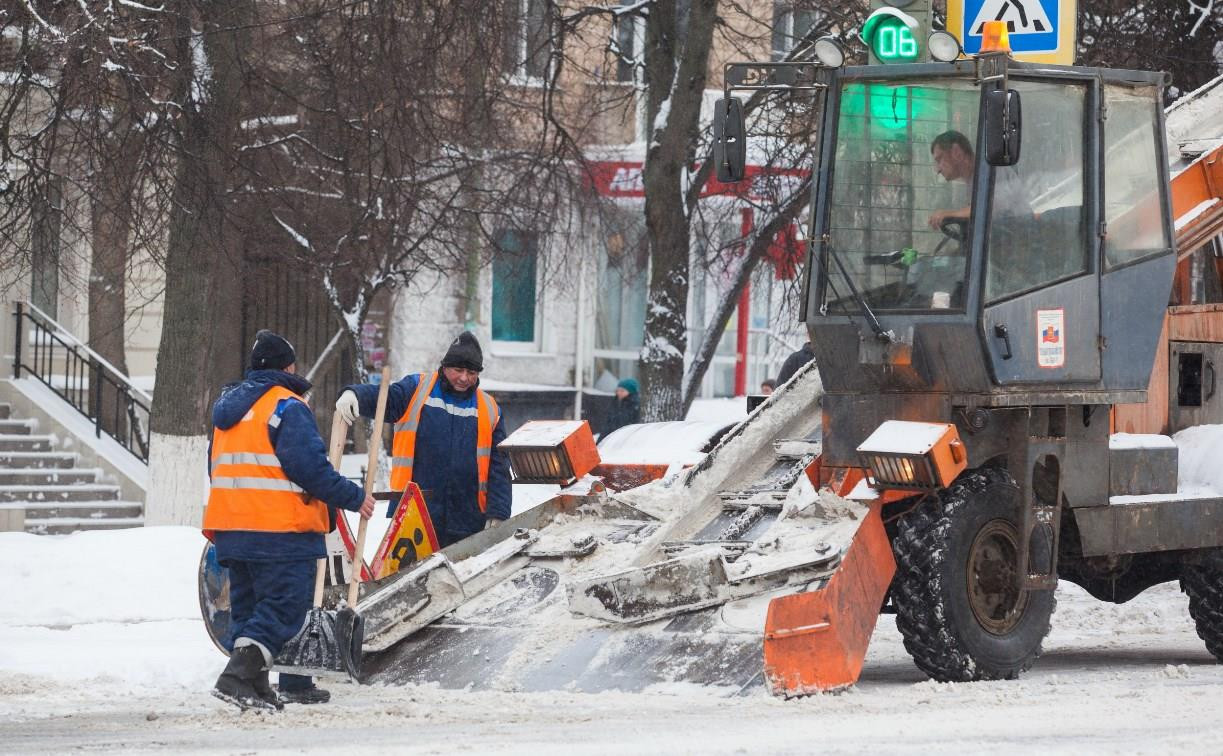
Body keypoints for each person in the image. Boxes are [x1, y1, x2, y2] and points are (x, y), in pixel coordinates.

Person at [203, 330, 375, 711]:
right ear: (290, 367)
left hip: (230, 528)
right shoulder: (286, 406)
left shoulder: (227, 411)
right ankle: (235, 678)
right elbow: (310, 469)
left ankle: (256, 685)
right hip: (278, 531)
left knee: (249, 609)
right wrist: (354, 496)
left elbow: (216, 469)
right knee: (285, 607)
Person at [335, 331, 510, 547]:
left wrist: (499, 512)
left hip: (469, 520)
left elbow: (499, 467)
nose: (465, 378)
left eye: (472, 372)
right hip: (415, 517)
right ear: (445, 367)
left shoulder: (490, 408)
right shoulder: (417, 389)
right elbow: (386, 399)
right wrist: (356, 395)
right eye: (458, 370)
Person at [927, 130, 1032, 230]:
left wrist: (949, 214)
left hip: (1020, 236)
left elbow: (992, 209)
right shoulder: (972, 180)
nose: (938, 169)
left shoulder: (991, 168)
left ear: (956, 152)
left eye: (939, 159)